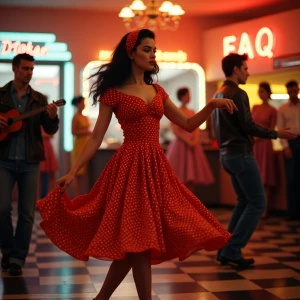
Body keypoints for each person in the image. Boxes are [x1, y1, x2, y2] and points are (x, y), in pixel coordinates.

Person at [37, 29, 236, 300]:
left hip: (156, 167)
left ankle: (101, 299)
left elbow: (189, 125)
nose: (153, 54)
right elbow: (95, 137)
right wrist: (72, 171)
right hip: (129, 168)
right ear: (131, 53)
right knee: (138, 243)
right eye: (146, 49)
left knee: (145, 240)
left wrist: (211, 104)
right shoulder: (114, 92)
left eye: (154, 49)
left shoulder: (157, 90)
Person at [212, 53, 296, 268]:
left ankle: (225, 249)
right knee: (258, 203)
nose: (248, 72)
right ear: (235, 70)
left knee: (244, 202)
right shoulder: (238, 94)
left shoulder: (218, 93)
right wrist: (277, 134)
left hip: (226, 155)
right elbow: (248, 126)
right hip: (241, 154)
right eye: (245, 68)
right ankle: (232, 249)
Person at [0, 53, 59, 276]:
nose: (29, 72)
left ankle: (17, 258)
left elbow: (50, 129)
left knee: (27, 213)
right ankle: (7, 249)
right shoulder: (1, 95)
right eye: (25, 68)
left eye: (32, 69)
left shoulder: (40, 99)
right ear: (15, 69)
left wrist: (52, 117)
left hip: (30, 161)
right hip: (3, 159)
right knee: (2, 208)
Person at [166, 87, 214, 192]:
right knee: (180, 175)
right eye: (187, 95)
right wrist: (188, 141)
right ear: (182, 97)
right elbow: (175, 130)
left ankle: (190, 203)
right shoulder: (177, 111)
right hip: (181, 145)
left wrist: (195, 140)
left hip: (193, 144)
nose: (189, 97)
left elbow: (196, 127)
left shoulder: (192, 111)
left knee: (192, 177)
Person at [252, 82, 277, 218]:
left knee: (266, 177)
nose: (260, 94)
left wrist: (259, 137)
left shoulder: (273, 110)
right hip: (255, 145)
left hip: (265, 145)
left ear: (268, 93)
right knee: (255, 177)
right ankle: (256, 207)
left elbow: (272, 130)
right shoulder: (254, 107)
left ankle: (265, 209)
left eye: (262, 91)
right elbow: (249, 125)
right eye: (259, 91)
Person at [277, 80, 300, 221]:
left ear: (297, 89)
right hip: (291, 142)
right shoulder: (283, 109)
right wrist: (285, 147)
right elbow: (280, 129)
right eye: (289, 91)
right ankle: (292, 212)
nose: (292, 93)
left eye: (294, 91)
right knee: (291, 179)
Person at [71, 95, 91, 196]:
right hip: (79, 145)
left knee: (85, 173)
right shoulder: (75, 117)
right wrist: (86, 132)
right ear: (78, 104)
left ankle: (84, 195)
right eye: (82, 103)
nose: (84, 105)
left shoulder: (85, 116)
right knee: (77, 173)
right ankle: (76, 196)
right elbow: (73, 131)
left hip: (86, 144)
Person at [39, 127, 59, 198]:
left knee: (52, 174)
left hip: (47, 146)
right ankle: (37, 200)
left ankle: (51, 198)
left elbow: (51, 134)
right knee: (39, 175)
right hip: (40, 147)